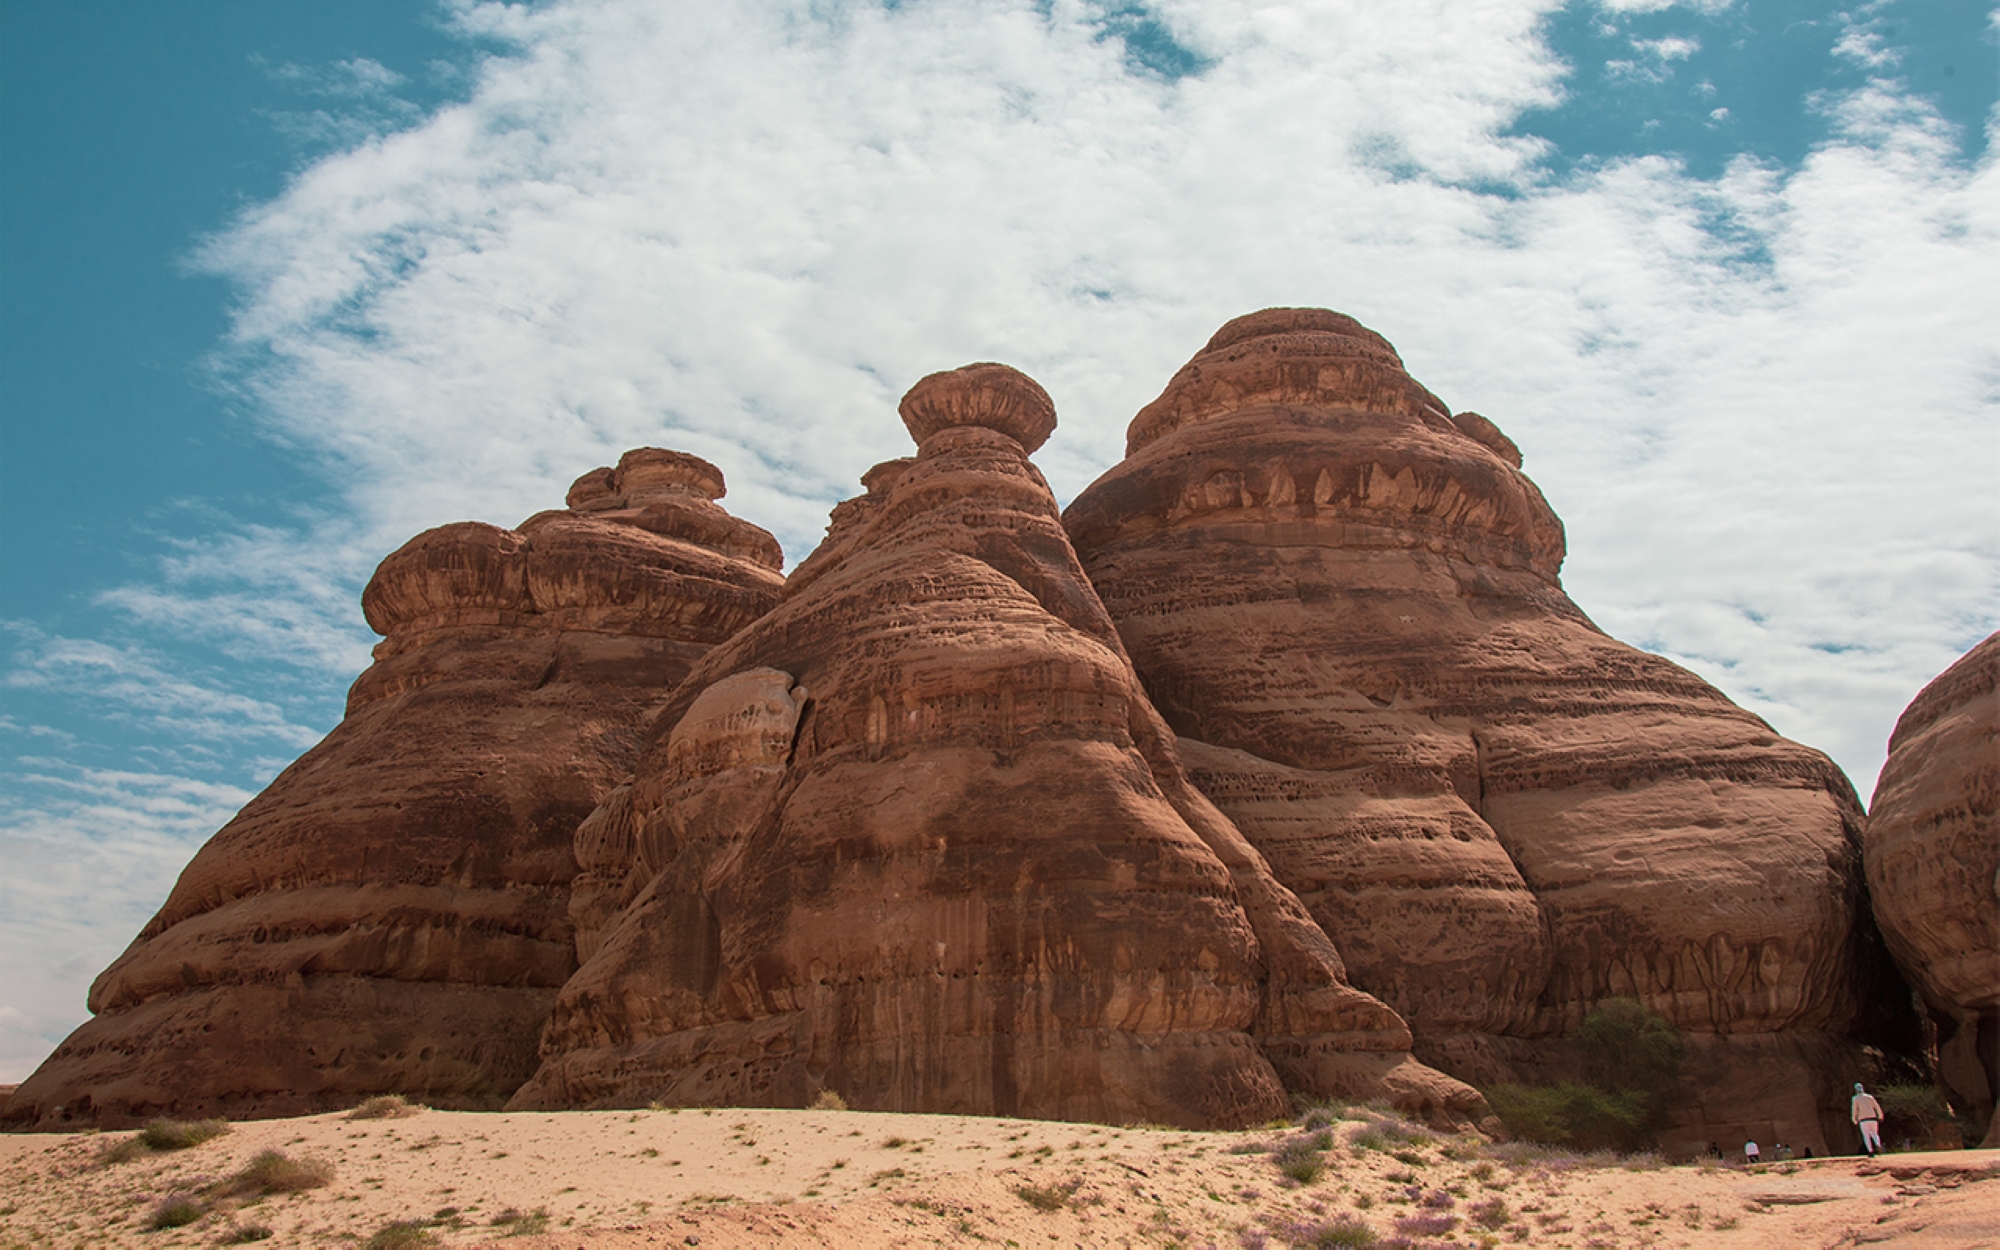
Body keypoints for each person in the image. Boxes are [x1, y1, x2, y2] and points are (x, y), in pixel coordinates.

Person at [1852, 1082, 1885, 1156]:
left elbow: (1854, 1110)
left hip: (1863, 1120)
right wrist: (1880, 1116)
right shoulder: (1870, 1097)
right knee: (1875, 1134)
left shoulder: (1855, 1098)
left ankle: (1870, 1151)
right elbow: (1876, 1107)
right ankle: (1878, 1144)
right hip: (1873, 1119)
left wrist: (1854, 1119)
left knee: (1866, 1136)